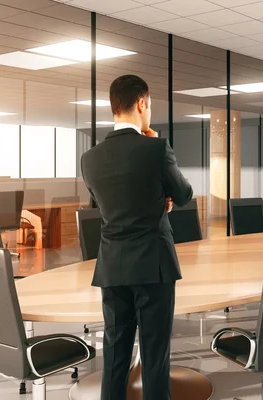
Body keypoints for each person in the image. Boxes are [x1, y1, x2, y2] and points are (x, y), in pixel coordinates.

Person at [81, 74, 193, 400]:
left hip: (112, 267)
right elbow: (183, 194)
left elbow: (112, 203)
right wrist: (163, 195)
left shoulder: (89, 159)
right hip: (154, 266)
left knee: (115, 356)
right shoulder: (156, 148)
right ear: (141, 104)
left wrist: (157, 196)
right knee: (154, 355)